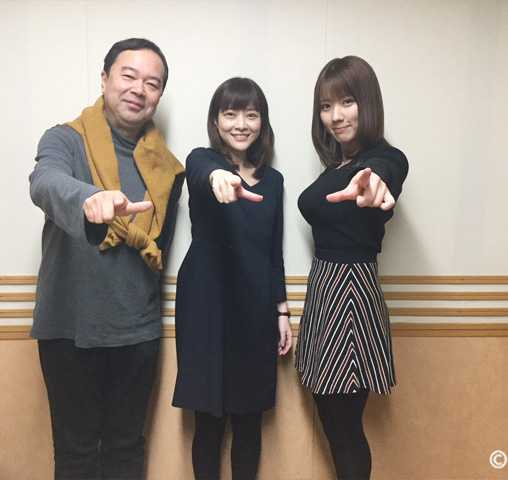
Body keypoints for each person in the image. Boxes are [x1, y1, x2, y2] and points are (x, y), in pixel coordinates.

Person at [29, 38, 185, 479]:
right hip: (69, 329)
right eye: (128, 75)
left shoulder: (168, 169)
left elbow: (157, 253)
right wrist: (88, 198)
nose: (139, 89)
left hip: (137, 332)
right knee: (76, 456)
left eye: (152, 83)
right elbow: (44, 181)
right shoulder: (65, 139)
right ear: (104, 79)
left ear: (159, 96)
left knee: (126, 451)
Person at [172, 77, 292, 480]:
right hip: (206, 305)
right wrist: (218, 177)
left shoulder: (274, 181)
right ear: (216, 120)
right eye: (230, 114)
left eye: (251, 115)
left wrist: (281, 312)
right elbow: (200, 170)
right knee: (208, 421)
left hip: (255, 308)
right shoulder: (202, 161)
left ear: (262, 122)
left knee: (248, 420)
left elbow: (274, 251)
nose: (241, 124)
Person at [296, 56, 409, 480]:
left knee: (344, 427)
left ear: (368, 102)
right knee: (335, 422)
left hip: (350, 294)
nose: (335, 115)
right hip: (326, 288)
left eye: (347, 101)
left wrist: (374, 177)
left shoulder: (383, 158)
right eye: (326, 106)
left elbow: (389, 168)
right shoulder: (338, 166)